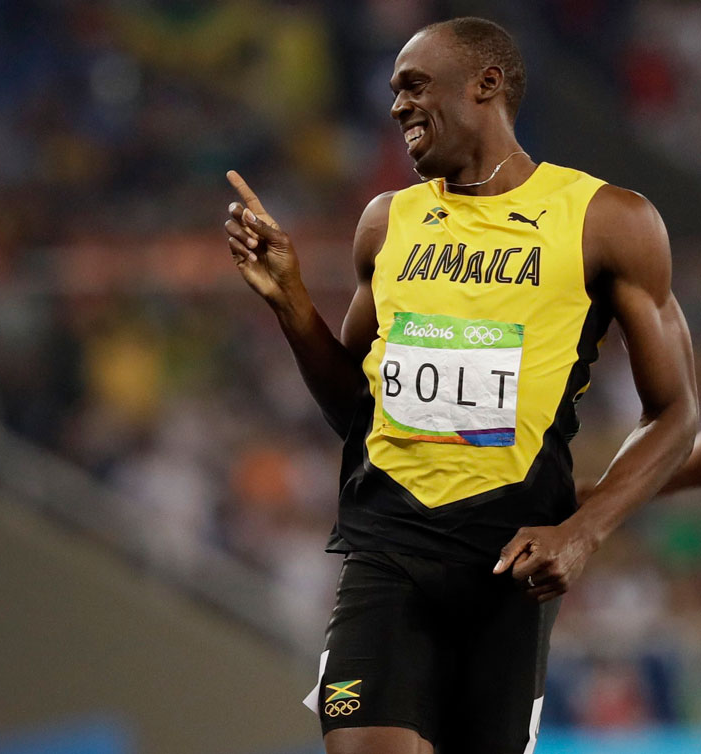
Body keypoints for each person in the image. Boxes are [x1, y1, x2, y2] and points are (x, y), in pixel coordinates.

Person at [223, 17, 696, 754]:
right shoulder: (389, 222)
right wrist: (290, 301)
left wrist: (581, 533)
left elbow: (676, 414)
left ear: (487, 84)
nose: (396, 106)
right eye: (391, 93)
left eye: (414, 85)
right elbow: (357, 411)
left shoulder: (608, 221)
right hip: (386, 554)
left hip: (508, 567)